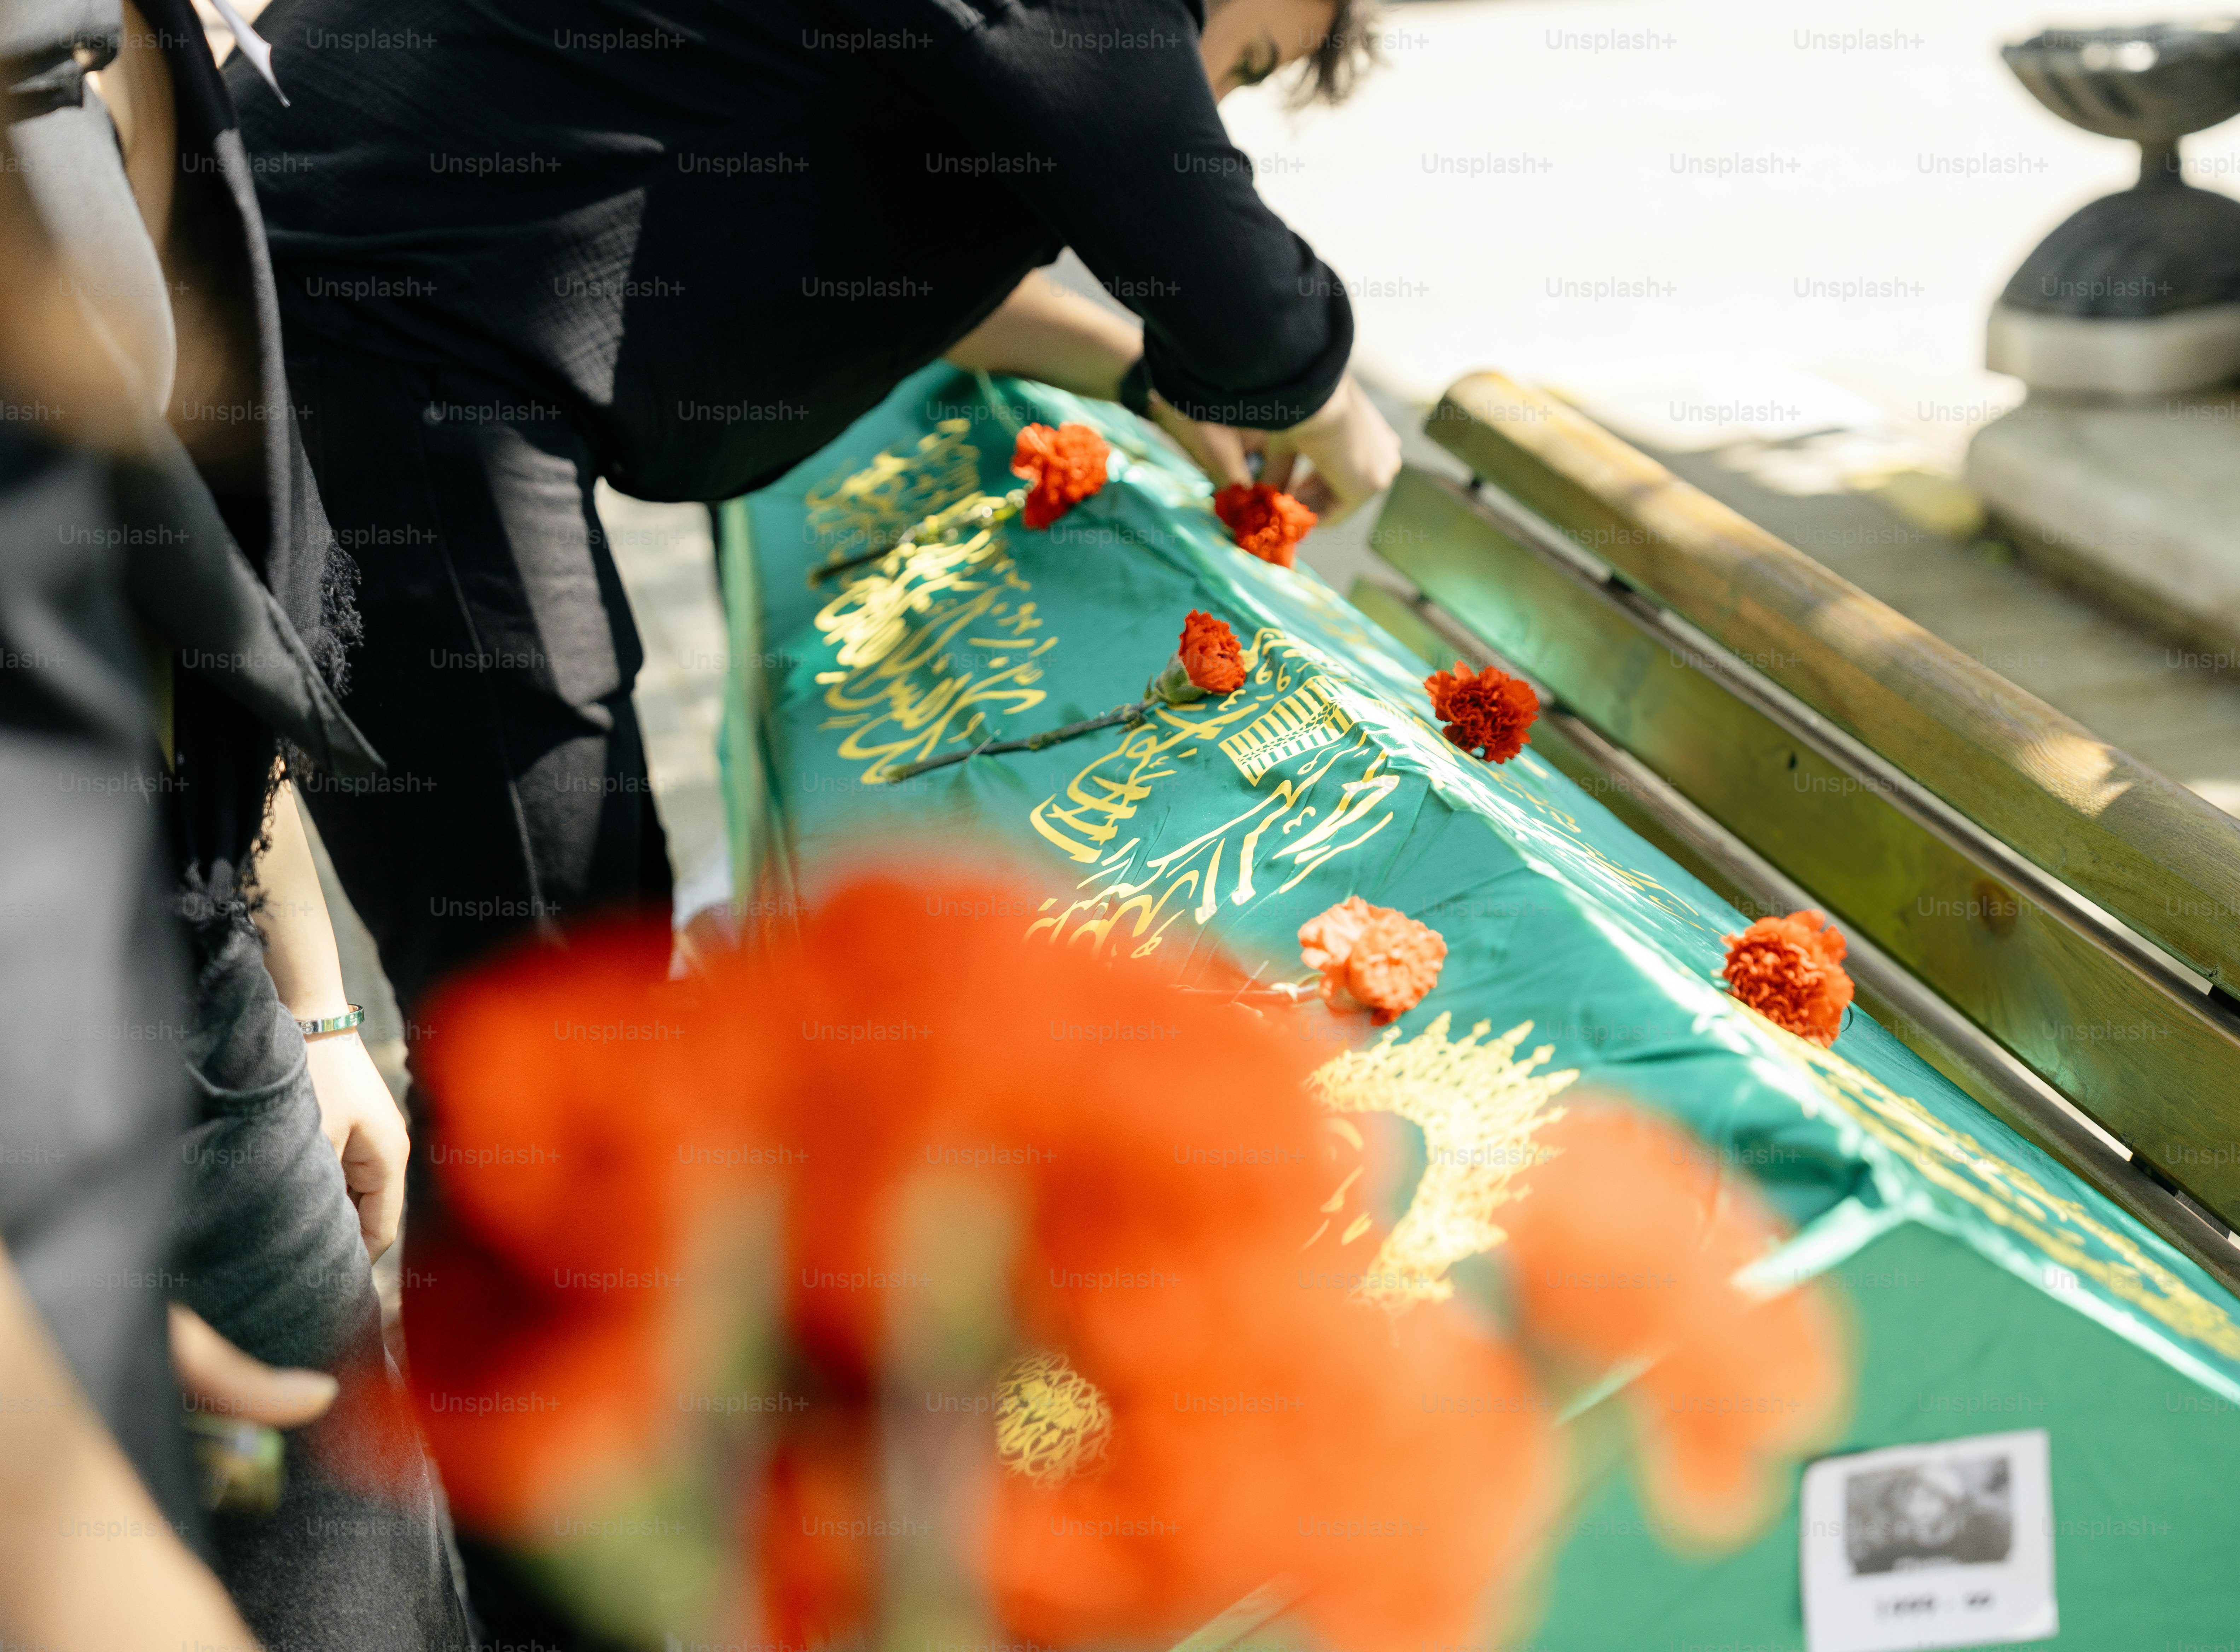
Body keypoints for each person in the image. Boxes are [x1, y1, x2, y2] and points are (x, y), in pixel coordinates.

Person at [234, 0, 1404, 1031]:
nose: (1208, 101)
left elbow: (863, 256)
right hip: (385, 340)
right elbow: (1242, 310)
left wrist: (1136, 378)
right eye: (1241, 61)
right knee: (566, 1007)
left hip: (296, 268)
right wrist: (1329, 402)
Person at [4, 0, 469, 1643]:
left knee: (377, 1594)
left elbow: (175, 557)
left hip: (191, 1003)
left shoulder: (108, 46)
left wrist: (315, 995)